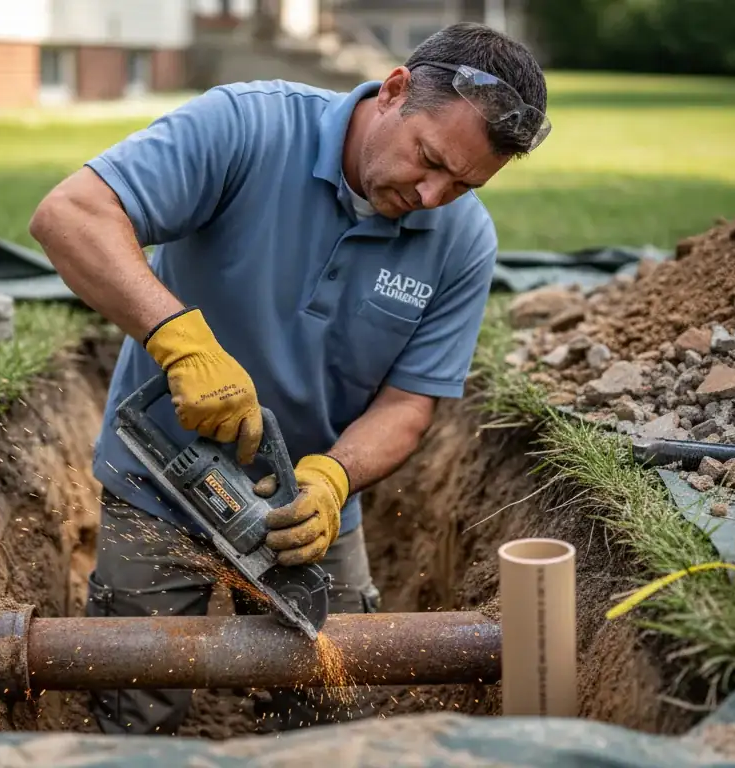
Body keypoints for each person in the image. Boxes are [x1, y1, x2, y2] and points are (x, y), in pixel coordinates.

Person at [28, 21, 550, 736]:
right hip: (163, 478)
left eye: (462, 184)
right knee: (133, 707)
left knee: (334, 712)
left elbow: (408, 405)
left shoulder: (462, 241)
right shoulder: (249, 125)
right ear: (395, 90)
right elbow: (71, 214)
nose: (432, 196)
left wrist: (333, 480)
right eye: (429, 159)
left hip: (304, 509)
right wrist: (180, 341)